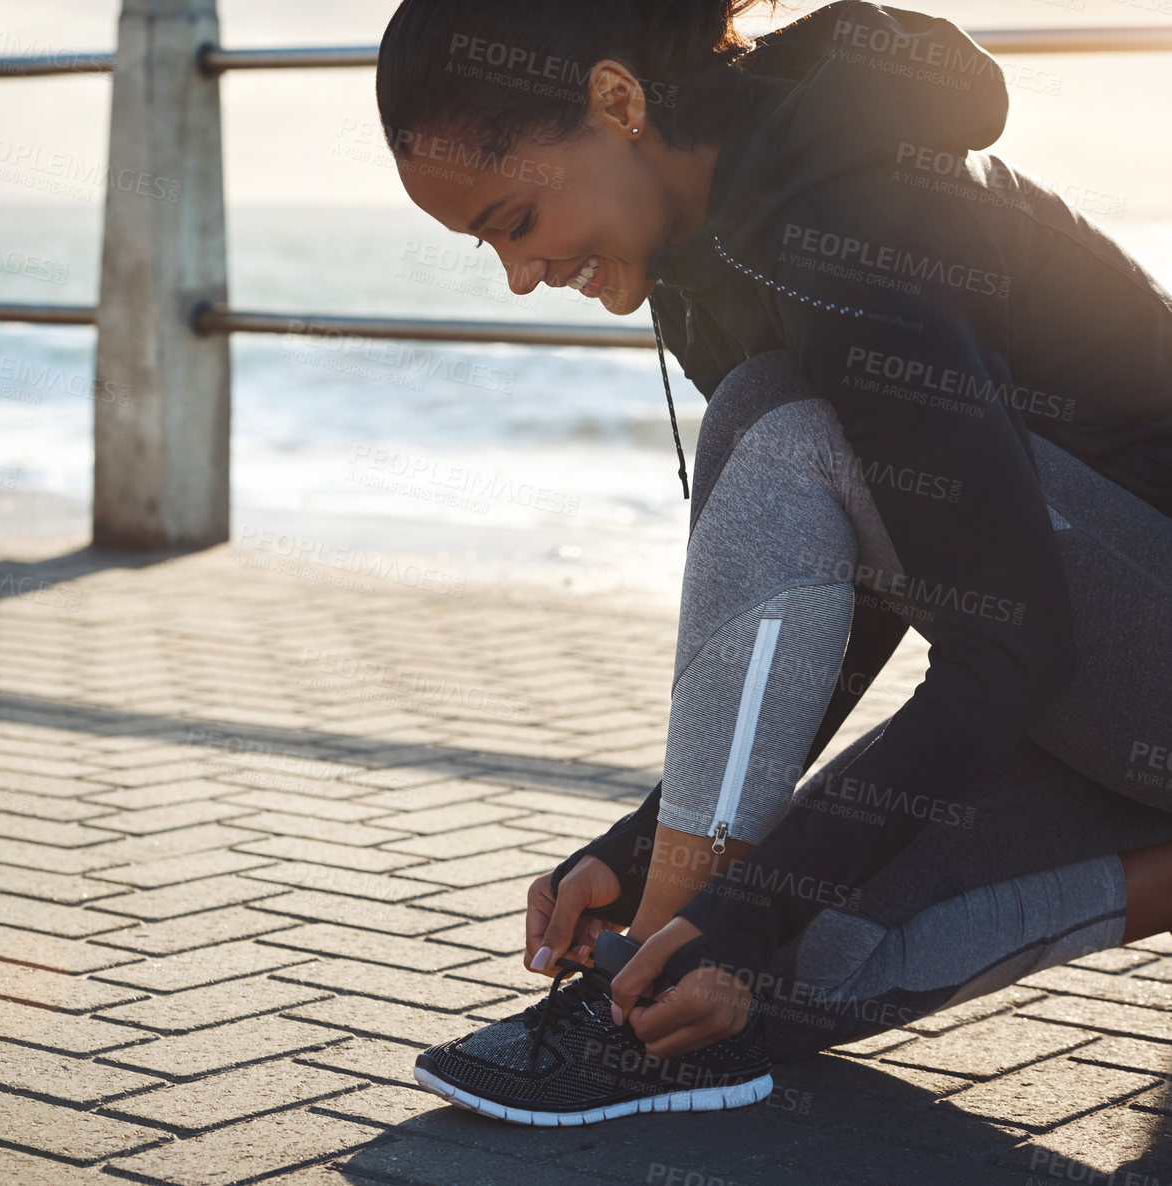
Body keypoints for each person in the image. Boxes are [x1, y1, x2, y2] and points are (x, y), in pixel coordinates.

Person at [374, 0, 1172, 1126]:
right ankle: (663, 963)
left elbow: (1006, 638)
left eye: (517, 218)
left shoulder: (846, 221)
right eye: (488, 244)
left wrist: (714, 906)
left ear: (615, 100)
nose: (518, 272)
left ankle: (646, 952)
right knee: (744, 984)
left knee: (771, 419)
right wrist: (657, 845)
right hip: (1106, 690)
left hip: (1120, 650)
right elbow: (876, 577)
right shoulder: (711, 254)